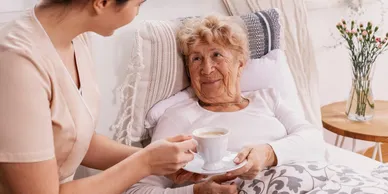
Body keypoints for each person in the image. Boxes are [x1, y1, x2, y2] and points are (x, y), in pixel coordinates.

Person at [0, 0, 204, 193]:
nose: (137, 13)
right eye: (137, 4)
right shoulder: (17, 62)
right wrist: (145, 162)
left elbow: (75, 141)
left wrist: (162, 161)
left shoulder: (74, 37)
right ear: (101, 2)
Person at [126, 15, 326, 194]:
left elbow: (314, 141)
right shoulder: (178, 116)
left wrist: (266, 154)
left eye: (216, 55)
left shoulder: (268, 98)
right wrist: (195, 192)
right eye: (196, 58)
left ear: (240, 63)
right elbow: (138, 189)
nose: (206, 68)